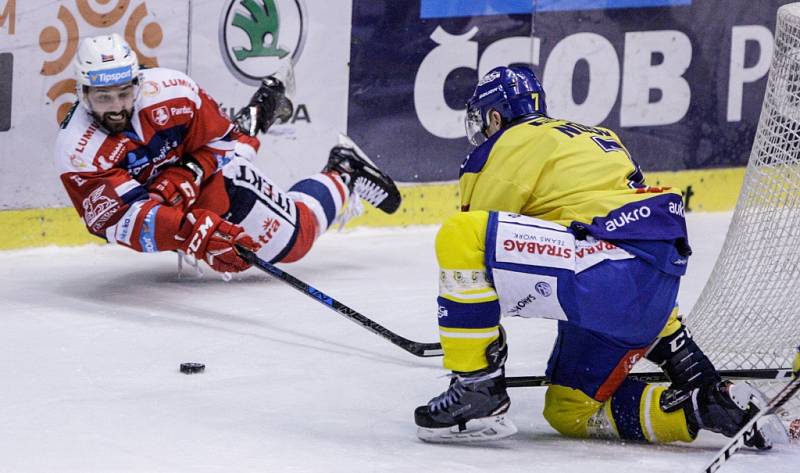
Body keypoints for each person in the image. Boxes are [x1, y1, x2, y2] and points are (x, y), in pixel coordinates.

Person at [413, 66, 786, 447]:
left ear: (495, 116)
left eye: (484, 121)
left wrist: (473, 340)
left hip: (602, 273)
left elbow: (481, 256)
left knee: (463, 236)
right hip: (648, 283)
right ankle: (701, 405)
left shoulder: (500, 147)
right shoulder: (597, 136)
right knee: (569, 411)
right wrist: (687, 362)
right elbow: (630, 248)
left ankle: (477, 389)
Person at [54, 34, 400, 275]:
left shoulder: (173, 92)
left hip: (219, 182)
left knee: (294, 243)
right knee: (169, 195)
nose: (116, 108)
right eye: (103, 98)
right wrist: (191, 232)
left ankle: (343, 170)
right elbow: (122, 221)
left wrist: (187, 175)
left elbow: (220, 142)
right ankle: (263, 108)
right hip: (171, 202)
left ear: (137, 84)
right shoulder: (78, 151)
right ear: (83, 94)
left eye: (123, 94)